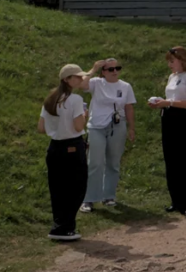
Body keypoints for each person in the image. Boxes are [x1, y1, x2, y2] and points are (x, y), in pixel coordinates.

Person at [38, 62, 101, 241]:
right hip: (72, 146)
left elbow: (41, 128)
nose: (81, 79)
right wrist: (84, 114)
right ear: (67, 79)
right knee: (76, 187)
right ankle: (66, 227)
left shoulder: (50, 98)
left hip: (54, 147)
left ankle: (59, 225)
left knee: (57, 188)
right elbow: (78, 126)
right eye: (77, 77)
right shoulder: (74, 100)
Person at [149, 46, 186, 217]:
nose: (170, 65)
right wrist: (161, 103)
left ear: (181, 60)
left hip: (182, 117)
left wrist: (168, 103)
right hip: (168, 116)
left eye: (172, 61)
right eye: (169, 62)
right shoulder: (173, 76)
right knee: (170, 158)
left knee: (183, 160)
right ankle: (176, 200)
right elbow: (171, 97)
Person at [81, 58, 136, 213]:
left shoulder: (125, 86)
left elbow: (129, 107)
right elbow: (82, 85)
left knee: (113, 162)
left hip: (118, 126)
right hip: (97, 127)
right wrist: (93, 69)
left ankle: (108, 195)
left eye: (117, 68)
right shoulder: (96, 83)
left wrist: (131, 128)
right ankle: (89, 199)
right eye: (110, 69)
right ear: (103, 72)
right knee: (95, 163)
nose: (115, 72)